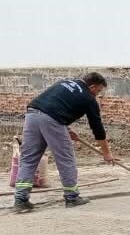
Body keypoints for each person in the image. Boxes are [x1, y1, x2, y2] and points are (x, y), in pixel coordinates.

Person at [13, 72, 114, 213]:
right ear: (92, 87)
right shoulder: (89, 99)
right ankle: (72, 197)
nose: (97, 95)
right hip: (52, 120)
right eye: (98, 91)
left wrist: (65, 128)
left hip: (32, 114)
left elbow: (54, 103)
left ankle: (21, 199)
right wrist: (107, 153)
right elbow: (97, 128)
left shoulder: (64, 82)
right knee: (65, 159)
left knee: (29, 158)